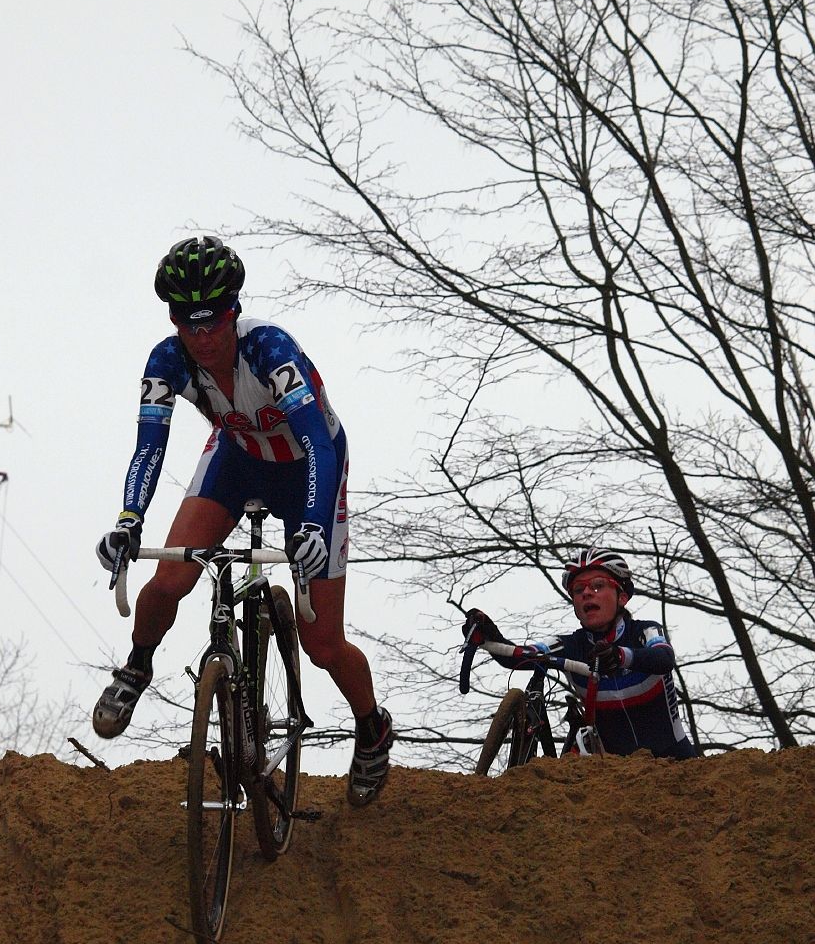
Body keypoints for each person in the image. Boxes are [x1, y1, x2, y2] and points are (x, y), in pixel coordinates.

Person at [92, 234, 393, 806]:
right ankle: (135, 668)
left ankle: (372, 725)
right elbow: (149, 447)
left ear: (233, 311)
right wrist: (129, 519)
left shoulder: (270, 349)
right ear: (175, 320)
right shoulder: (166, 360)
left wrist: (309, 527)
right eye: (189, 324)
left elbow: (318, 444)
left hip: (309, 466)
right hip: (236, 460)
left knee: (322, 643)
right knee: (170, 578)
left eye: (214, 323)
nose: (203, 339)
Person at [464, 545, 698, 760]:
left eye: (598, 585)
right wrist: (490, 635)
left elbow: (664, 658)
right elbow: (521, 655)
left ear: (622, 597)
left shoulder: (645, 631)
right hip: (613, 773)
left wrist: (620, 655)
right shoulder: (571, 645)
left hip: (675, 760)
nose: (587, 593)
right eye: (578, 589)